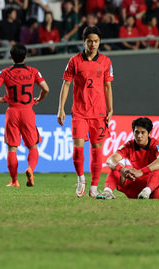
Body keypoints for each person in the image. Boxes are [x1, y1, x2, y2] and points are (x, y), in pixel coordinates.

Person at [57, 26, 114, 198]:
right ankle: (81, 179)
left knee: (97, 150)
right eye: (90, 41)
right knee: (78, 149)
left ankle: (94, 187)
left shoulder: (106, 62)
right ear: (84, 41)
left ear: (100, 42)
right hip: (79, 112)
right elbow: (66, 84)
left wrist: (110, 109)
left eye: (96, 41)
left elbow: (107, 86)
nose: (93, 44)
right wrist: (61, 108)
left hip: (98, 113)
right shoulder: (74, 61)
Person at [0, 43, 50, 188]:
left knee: (12, 148)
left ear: (11, 57)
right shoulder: (33, 71)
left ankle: (14, 180)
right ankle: (30, 169)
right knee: (33, 146)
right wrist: (38, 99)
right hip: (27, 111)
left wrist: (0, 99)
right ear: (25, 56)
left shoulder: (4, 72)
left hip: (12, 112)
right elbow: (46, 88)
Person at [97, 117, 159, 200]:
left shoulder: (155, 145)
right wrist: (121, 170)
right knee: (117, 166)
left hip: (154, 190)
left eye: (142, 133)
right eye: (136, 132)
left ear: (149, 133)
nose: (139, 136)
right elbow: (110, 160)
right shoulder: (129, 145)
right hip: (136, 184)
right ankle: (107, 192)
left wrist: (141, 171)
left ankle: (146, 191)